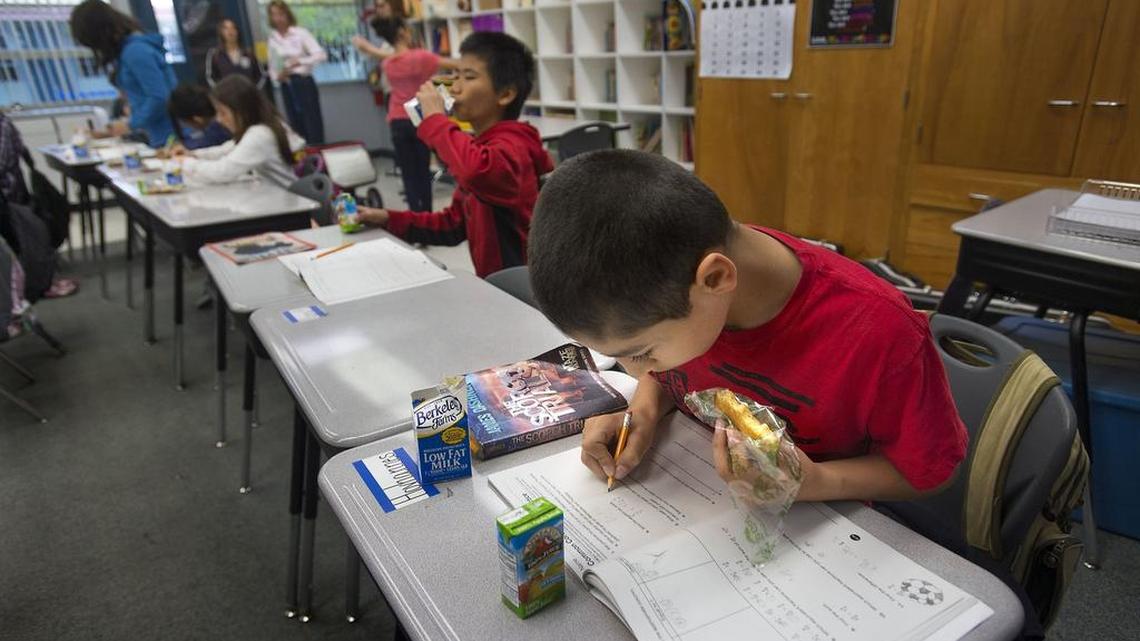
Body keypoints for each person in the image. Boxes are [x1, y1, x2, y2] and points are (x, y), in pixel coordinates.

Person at [526, 150, 969, 502]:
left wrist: (817, 484)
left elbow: (931, 475)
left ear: (715, 279)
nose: (635, 372)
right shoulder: (687, 287)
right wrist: (640, 411)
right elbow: (666, 374)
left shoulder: (878, 333)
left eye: (641, 352)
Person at [355, 32, 552, 278]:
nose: (455, 87)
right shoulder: (481, 148)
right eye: (455, 75)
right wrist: (387, 218)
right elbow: (452, 225)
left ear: (505, 94)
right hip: (497, 288)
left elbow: (475, 171)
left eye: (468, 77)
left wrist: (436, 121)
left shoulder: (513, 147)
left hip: (523, 293)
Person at [354, 16, 458, 211]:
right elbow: (453, 65)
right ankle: (426, 214)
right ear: (402, 32)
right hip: (419, 119)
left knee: (408, 173)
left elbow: (388, 57)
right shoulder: (421, 57)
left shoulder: (388, 63)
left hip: (397, 120)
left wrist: (368, 49)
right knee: (423, 169)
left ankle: (415, 214)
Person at [69, 0, 177, 148]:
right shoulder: (128, 52)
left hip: (169, 134)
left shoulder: (135, 52)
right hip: (157, 133)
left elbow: (159, 97)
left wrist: (129, 124)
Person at [177, 75, 305, 187]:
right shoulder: (266, 124)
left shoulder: (260, 134)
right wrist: (193, 154)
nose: (219, 120)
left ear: (241, 111)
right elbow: (226, 149)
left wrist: (185, 163)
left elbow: (223, 172)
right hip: (283, 199)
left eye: (223, 113)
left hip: (287, 206)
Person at [266, 1, 327, 145]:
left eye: (281, 14)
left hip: (303, 81)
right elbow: (272, 67)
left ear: (287, 14)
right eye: (274, 15)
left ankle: (318, 157)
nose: (278, 18)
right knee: (295, 124)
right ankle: (303, 161)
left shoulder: (300, 33)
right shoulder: (273, 39)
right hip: (286, 84)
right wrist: (277, 76)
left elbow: (321, 55)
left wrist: (300, 61)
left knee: (313, 123)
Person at [166, 84, 231, 151]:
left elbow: (206, 144)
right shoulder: (217, 102)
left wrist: (183, 147)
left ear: (197, 119)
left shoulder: (218, 126)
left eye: (185, 123)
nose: (186, 126)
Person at [206, 18, 265, 89]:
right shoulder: (215, 54)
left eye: (233, 28)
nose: (230, 31)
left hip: (250, 96)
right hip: (228, 97)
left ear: (237, 32)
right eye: (226, 28)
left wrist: (254, 91)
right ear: (221, 32)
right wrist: (221, 94)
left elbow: (261, 75)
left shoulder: (249, 53)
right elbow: (210, 77)